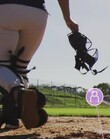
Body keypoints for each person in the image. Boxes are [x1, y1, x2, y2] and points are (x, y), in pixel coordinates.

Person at [0, 0, 79, 129]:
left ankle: (20, 95)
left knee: (3, 67)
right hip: (37, 14)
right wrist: (67, 18)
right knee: (19, 69)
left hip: (5, 9)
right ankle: (11, 116)